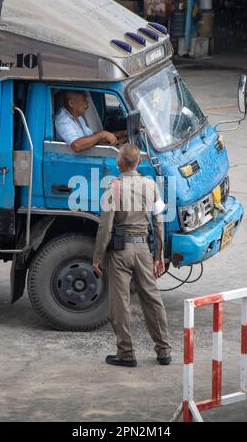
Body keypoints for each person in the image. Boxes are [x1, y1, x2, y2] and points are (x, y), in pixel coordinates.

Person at [93, 143, 172, 367]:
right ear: (138, 163)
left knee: (120, 302)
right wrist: (159, 255)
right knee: (152, 299)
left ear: (119, 163)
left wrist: (97, 257)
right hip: (144, 252)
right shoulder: (151, 185)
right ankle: (164, 351)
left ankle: (126, 354)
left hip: (120, 252)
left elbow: (105, 227)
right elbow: (158, 222)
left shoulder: (113, 188)